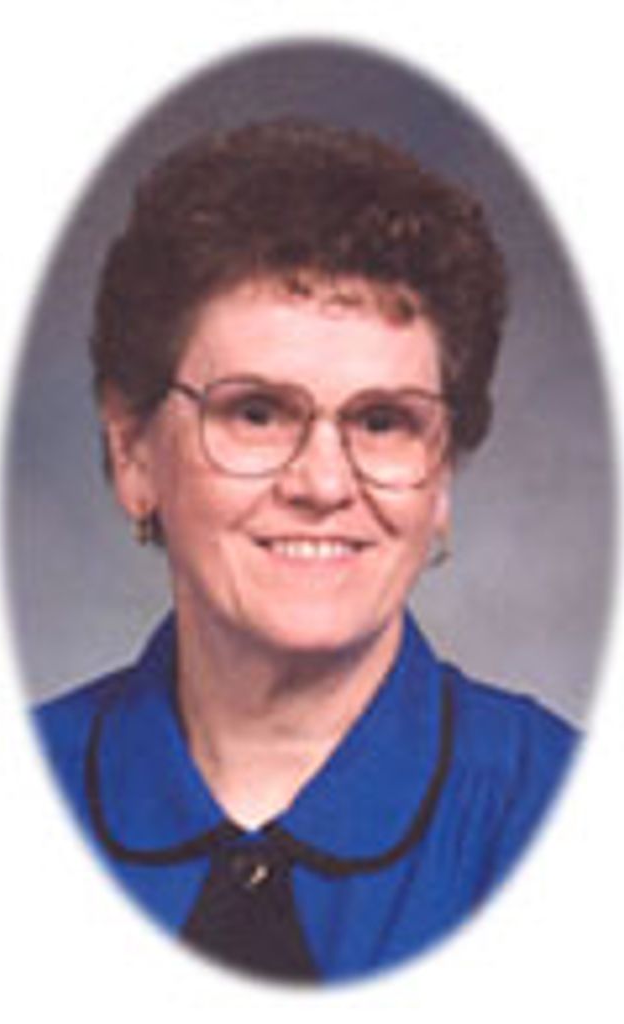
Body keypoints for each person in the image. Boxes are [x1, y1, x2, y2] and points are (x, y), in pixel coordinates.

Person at [34, 118, 578, 984]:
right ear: (132, 451)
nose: (323, 483)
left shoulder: (565, 810)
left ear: (440, 478)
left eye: (383, 422)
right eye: (256, 412)